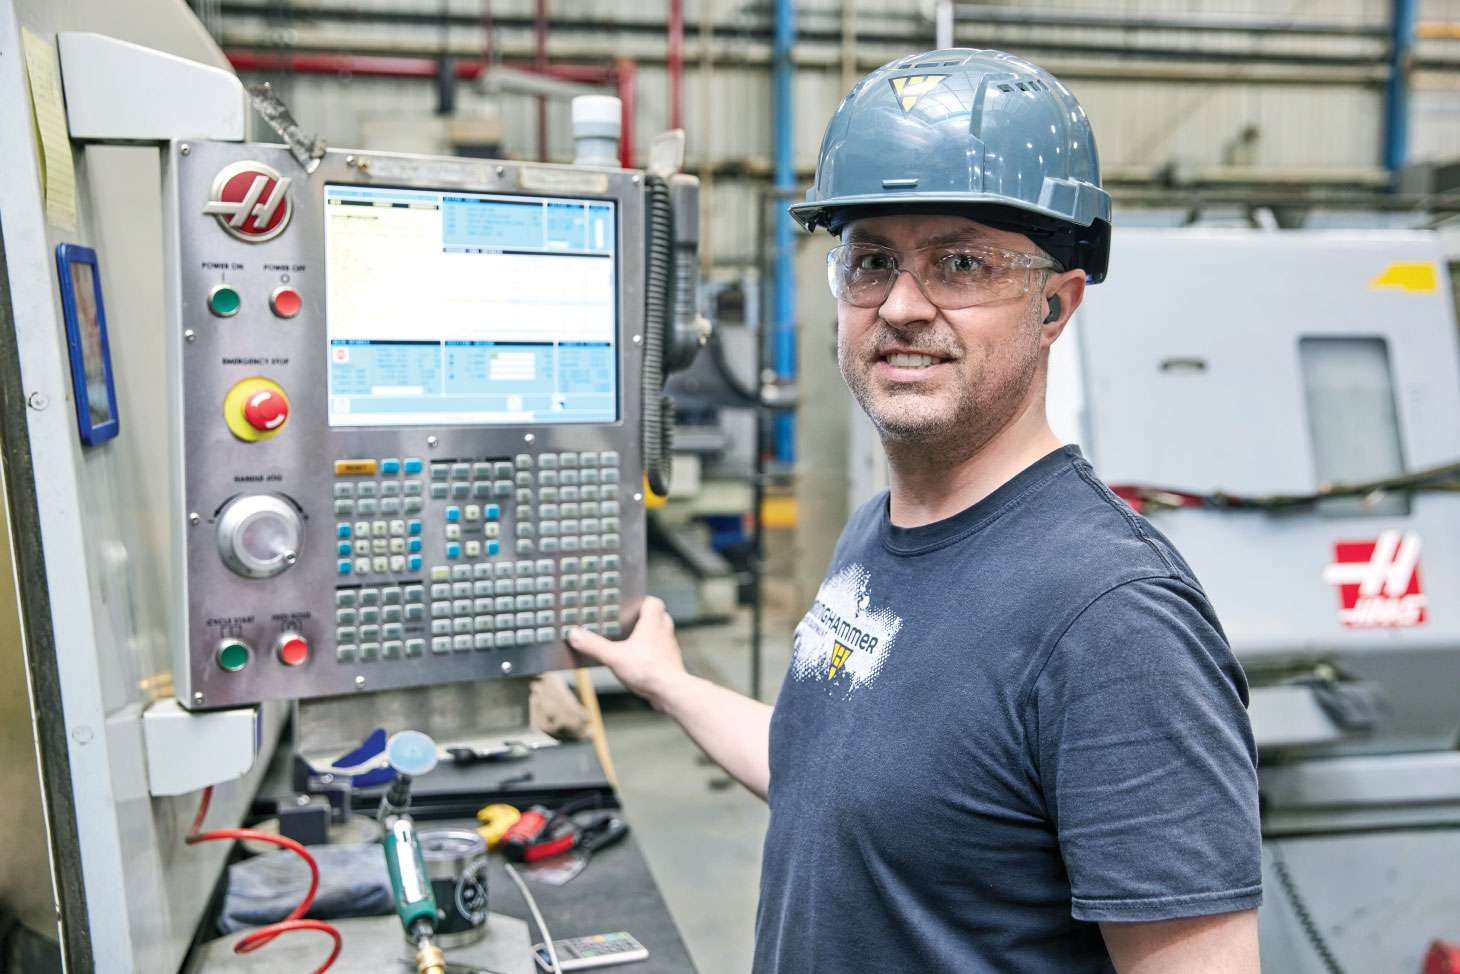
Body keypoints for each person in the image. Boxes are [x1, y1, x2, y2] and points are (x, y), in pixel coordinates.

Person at [569, 48, 1262, 974]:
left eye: (961, 264)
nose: (901, 305)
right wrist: (670, 682)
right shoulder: (878, 532)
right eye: (872, 261)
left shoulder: (1112, 621)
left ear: (1054, 306)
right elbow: (836, 783)